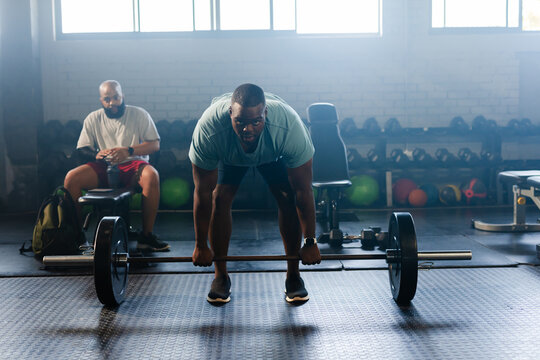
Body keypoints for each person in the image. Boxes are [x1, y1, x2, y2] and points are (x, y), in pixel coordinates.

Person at [189, 83, 321, 304]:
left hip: (272, 153)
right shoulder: (210, 129)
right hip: (231, 154)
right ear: (230, 113)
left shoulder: (288, 127)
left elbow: (303, 191)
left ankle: (294, 276)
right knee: (219, 199)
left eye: (255, 122)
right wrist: (201, 245)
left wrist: (309, 242)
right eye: (240, 121)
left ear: (265, 114)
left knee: (288, 198)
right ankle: (220, 277)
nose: (247, 129)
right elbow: (202, 193)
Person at [64, 80, 169, 252]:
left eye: (116, 98)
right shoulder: (93, 118)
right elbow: (82, 150)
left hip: (133, 164)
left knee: (152, 175)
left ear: (122, 97)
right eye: (107, 99)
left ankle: (146, 236)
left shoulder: (139, 114)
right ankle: (76, 236)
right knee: (71, 178)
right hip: (104, 167)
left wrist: (129, 150)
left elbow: (155, 145)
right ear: (101, 100)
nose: (112, 102)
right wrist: (95, 154)